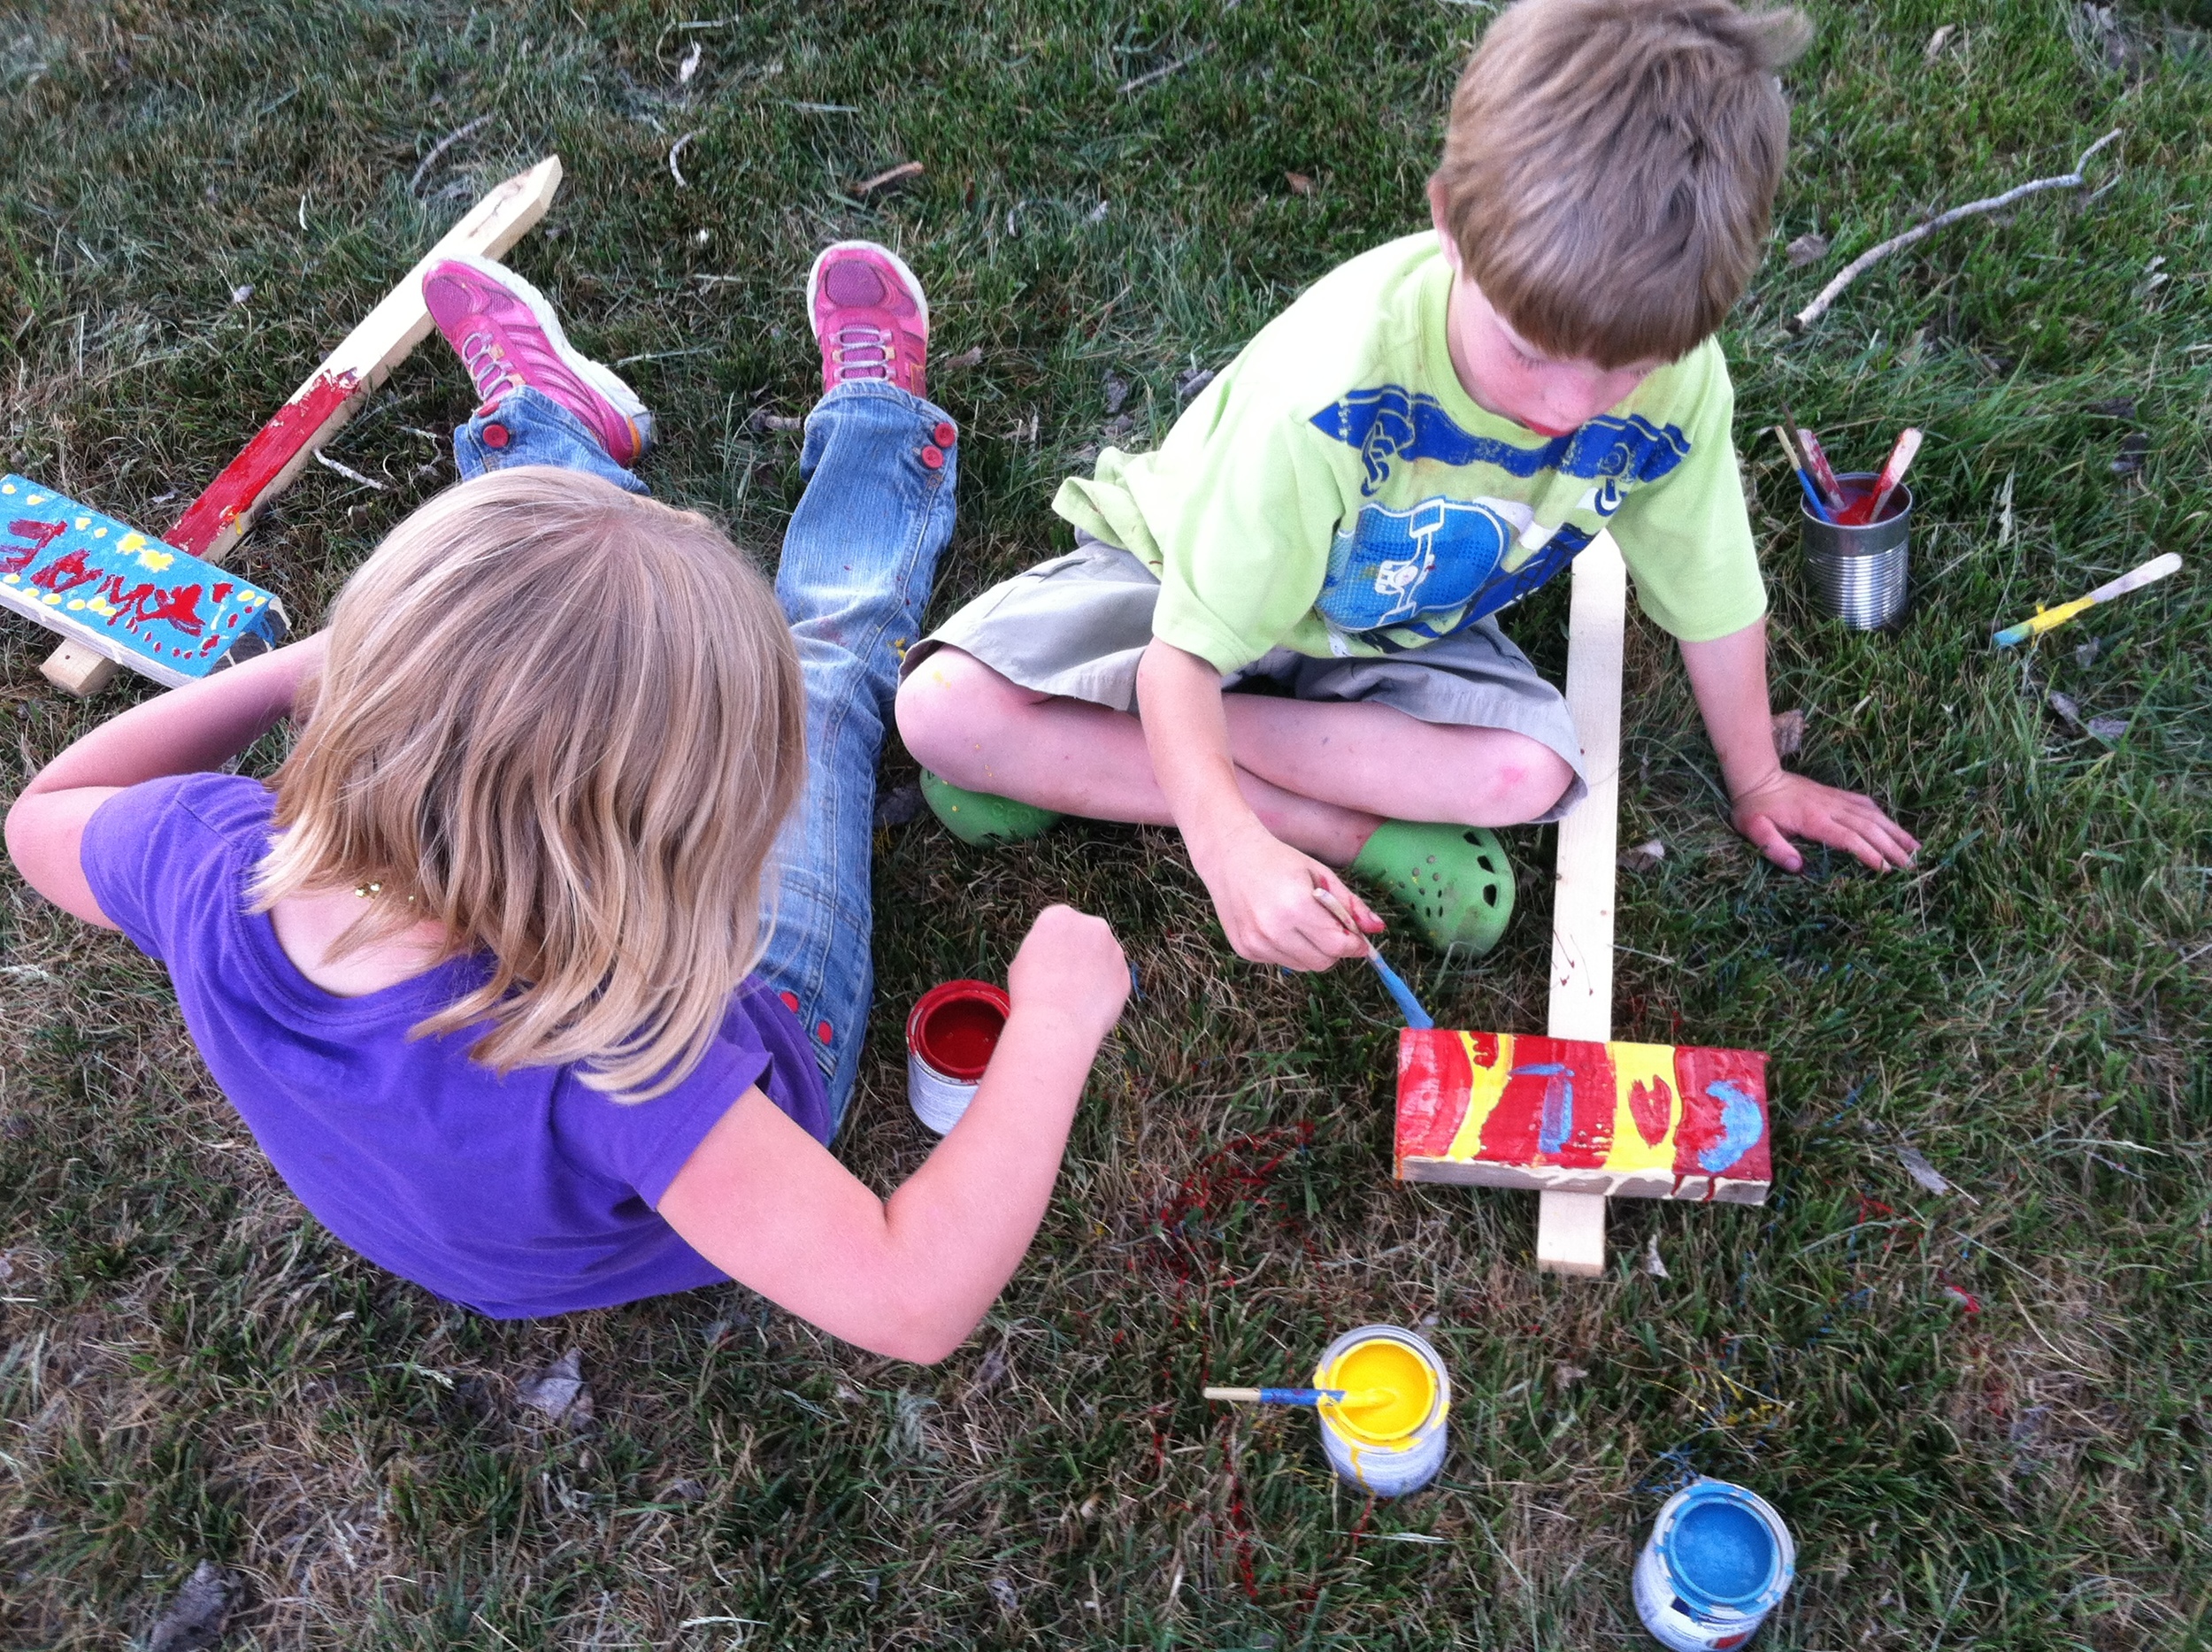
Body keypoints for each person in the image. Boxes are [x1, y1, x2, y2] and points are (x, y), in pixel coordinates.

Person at [4, 242, 1130, 1362]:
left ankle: (549, 434)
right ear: (681, 835)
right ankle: (879, 433)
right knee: (824, 673)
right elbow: (910, 1298)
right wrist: (1055, 1022)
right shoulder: (631, 1060)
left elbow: (47, 810)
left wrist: (324, 660)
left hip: (485, 1248)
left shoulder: (208, 856)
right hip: (727, 1059)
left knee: (543, 594)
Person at [894, 0, 1918, 974]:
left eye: (1622, 372)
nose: (1566, 410)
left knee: (1527, 775)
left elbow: (1711, 587)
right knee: (940, 710)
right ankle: (1330, 828)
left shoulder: (1681, 386)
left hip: (1388, 632)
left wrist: (1758, 778)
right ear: (1446, 223)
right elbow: (1182, 662)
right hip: (1183, 589)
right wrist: (1232, 848)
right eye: (1526, 352)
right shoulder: (1328, 390)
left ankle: (1081, 752)